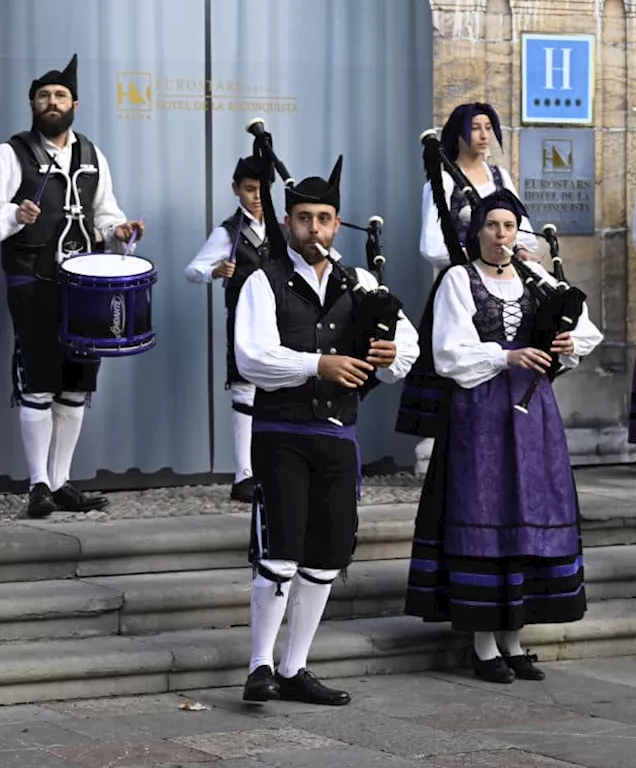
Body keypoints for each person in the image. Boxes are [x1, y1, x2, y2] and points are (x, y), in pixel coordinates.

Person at [233, 153, 420, 706]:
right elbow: (252, 357)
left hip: (338, 433)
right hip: (280, 431)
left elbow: (406, 347)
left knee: (326, 554)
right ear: (287, 223)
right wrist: (318, 365)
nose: (314, 228)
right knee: (280, 549)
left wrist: (389, 354)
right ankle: (259, 666)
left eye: (324, 218)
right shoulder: (263, 280)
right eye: (304, 218)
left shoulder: (359, 281)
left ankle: (294, 669)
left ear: (338, 223)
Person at [403, 186, 601, 684]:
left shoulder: (534, 277)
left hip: (533, 416)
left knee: (527, 512)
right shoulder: (458, 280)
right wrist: (506, 355)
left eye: (509, 226)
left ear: (519, 232)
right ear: (477, 232)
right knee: (484, 509)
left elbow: (587, 331)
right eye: (492, 226)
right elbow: (448, 352)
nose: (501, 234)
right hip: (480, 413)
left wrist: (565, 342)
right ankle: (483, 644)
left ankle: (514, 639)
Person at [0, 54, 144, 518]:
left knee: (75, 387)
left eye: (60, 95)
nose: (52, 101)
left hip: (83, 287)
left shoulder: (92, 155)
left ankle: (62, 482)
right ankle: (38, 484)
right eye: (43, 95)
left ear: (75, 104)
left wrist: (119, 232)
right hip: (33, 281)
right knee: (39, 384)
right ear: (32, 104)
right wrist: (12, 214)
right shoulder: (10, 154)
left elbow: (106, 212)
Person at [185, 155, 272, 503]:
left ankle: (270, 467)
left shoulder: (280, 228)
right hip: (242, 319)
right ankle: (243, 474)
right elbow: (192, 270)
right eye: (249, 189)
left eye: (262, 190)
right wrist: (214, 271)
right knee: (245, 393)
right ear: (236, 190)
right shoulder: (228, 232)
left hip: (279, 320)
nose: (256, 197)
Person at [419, 103, 538, 270]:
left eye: (488, 128)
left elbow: (521, 227)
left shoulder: (500, 176)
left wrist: (520, 249)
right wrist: (479, 252)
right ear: (458, 133)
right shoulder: (444, 181)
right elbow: (432, 246)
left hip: (503, 271)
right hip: (463, 274)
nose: (484, 136)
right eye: (475, 128)